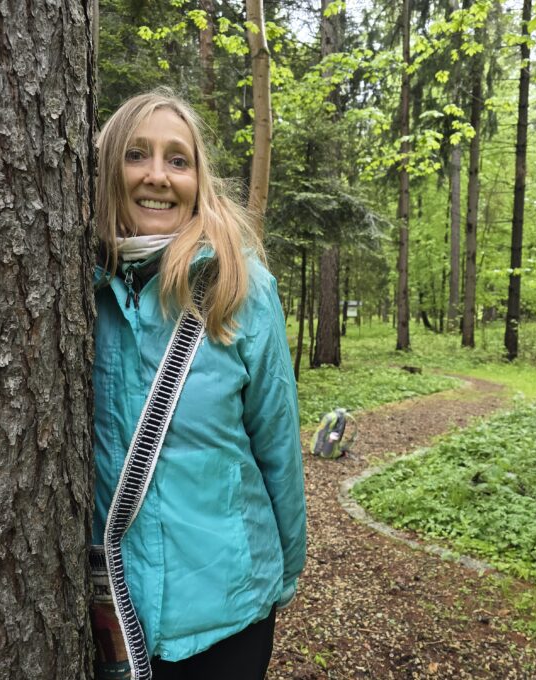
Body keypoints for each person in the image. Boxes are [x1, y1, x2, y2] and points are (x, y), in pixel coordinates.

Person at [90, 88, 307, 680]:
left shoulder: (242, 288)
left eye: (178, 160)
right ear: (107, 170)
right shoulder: (75, 291)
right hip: (112, 620)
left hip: (230, 615)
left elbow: (279, 447)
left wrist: (286, 572)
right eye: (136, 154)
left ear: (197, 180)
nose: (157, 176)